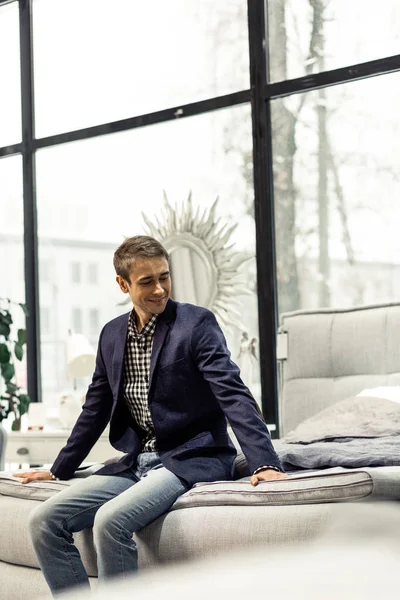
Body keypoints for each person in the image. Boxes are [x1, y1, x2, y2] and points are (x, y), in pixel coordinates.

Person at [15, 235, 287, 596]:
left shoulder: (196, 325)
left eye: (165, 276)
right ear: (123, 283)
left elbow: (232, 394)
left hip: (190, 457)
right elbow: (94, 408)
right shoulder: (112, 335)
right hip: (134, 462)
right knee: (44, 520)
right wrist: (59, 467)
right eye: (147, 281)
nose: (160, 288)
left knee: (110, 521)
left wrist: (263, 463)